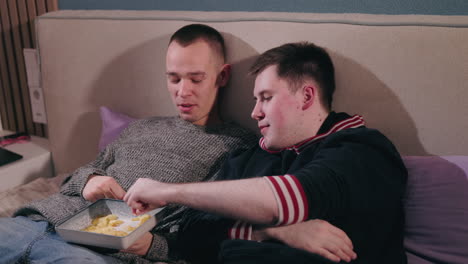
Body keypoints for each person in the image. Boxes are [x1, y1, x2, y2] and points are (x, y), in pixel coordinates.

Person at [124, 42, 408, 264]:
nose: (255, 112)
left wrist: (167, 191)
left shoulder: (362, 150)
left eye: (266, 98)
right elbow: (192, 234)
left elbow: (290, 198)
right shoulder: (249, 157)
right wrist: (272, 232)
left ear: (306, 97)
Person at [0, 24, 259, 264]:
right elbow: (71, 181)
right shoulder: (142, 127)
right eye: (174, 78)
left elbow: (212, 236)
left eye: (196, 79)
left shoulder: (237, 147)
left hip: (92, 252)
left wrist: (153, 246)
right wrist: (89, 180)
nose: (182, 91)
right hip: (36, 221)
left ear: (222, 76)